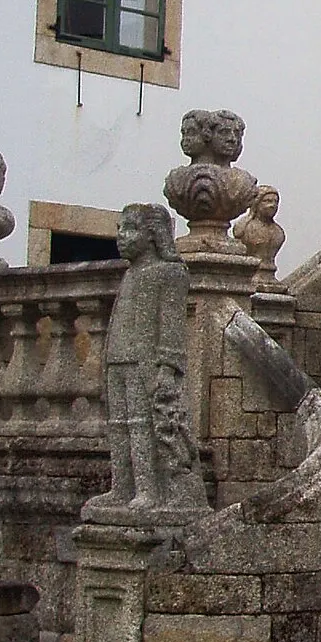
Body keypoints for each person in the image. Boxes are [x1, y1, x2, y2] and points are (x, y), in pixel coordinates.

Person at [91, 203, 205, 516]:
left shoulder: (170, 273)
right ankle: (122, 487)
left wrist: (168, 367)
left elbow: (171, 327)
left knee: (143, 427)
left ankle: (148, 490)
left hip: (145, 363)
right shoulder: (131, 274)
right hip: (119, 357)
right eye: (120, 229)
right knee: (119, 426)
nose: (121, 237)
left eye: (130, 229)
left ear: (153, 235)